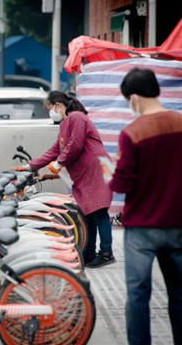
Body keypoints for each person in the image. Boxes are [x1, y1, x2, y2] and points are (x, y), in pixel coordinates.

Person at [105, 68, 182, 345]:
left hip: (142, 229)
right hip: (177, 224)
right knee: (179, 294)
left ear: (134, 98)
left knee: (138, 295)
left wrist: (110, 173)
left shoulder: (132, 133)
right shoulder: (180, 123)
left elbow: (123, 184)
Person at [14, 90, 115, 268]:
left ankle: (106, 253)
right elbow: (54, 150)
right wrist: (30, 166)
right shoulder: (65, 125)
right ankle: (89, 253)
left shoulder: (77, 117)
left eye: (50, 108)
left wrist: (59, 164)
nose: (50, 112)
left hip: (96, 170)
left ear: (58, 106)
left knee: (99, 212)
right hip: (86, 173)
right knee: (87, 214)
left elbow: (75, 144)